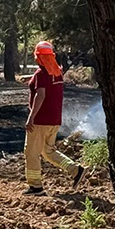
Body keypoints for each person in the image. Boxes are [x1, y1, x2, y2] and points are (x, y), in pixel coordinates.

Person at [24, 41, 85, 194]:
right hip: (54, 120)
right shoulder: (57, 73)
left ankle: (35, 186)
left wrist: (31, 117)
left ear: (38, 57)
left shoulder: (41, 73)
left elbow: (41, 95)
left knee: (31, 152)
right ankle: (76, 170)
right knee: (48, 151)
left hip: (40, 121)